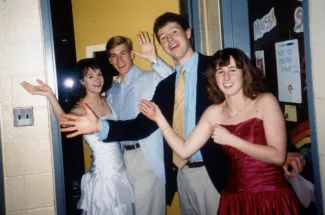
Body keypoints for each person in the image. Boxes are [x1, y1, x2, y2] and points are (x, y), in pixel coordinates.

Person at [59, 12, 305, 215]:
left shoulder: (217, 67)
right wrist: (101, 127)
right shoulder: (166, 85)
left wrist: (287, 150)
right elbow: (141, 125)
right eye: (163, 37)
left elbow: (256, 99)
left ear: (188, 33)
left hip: (215, 172)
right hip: (183, 174)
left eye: (174, 32)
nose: (169, 40)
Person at [138, 48, 300, 215]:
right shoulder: (214, 112)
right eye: (220, 72)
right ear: (214, 77)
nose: (226, 77)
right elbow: (184, 150)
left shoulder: (265, 101)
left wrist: (231, 140)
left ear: (244, 73)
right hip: (234, 200)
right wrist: (159, 119)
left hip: (269, 198)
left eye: (232, 70)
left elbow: (278, 156)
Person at [20, 58, 135, 215]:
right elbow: (63, 121)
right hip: (104, 176)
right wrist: (50, 96)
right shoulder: (81, 109)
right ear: (82, 81)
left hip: (121, 171)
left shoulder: (108, 99)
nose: (97, 79)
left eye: (99, 74)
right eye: (90, 76)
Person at [105, 33, 174, 215]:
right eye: (114, 55)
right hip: (124, 160)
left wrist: (154, 59)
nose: (119, 60)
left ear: (132, 55)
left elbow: (176, 82)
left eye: (123, 53)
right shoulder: (113, 90)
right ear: (110, 60)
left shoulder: (151, 77)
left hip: (147, 156)